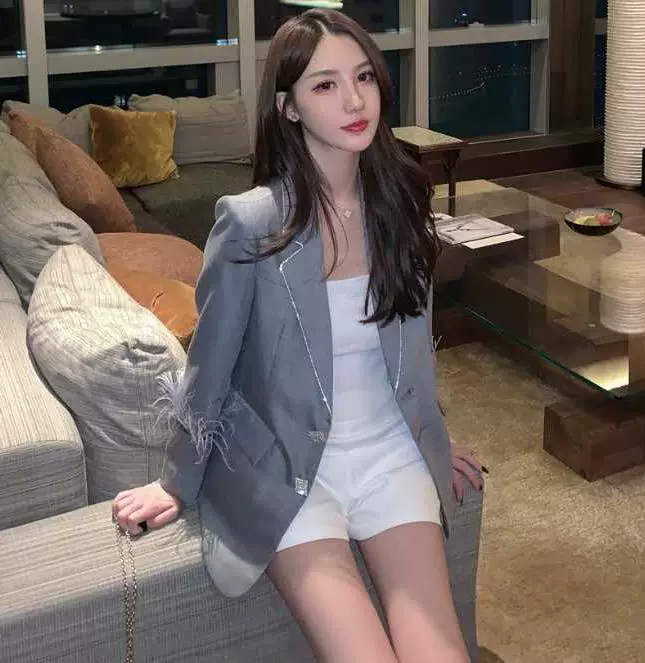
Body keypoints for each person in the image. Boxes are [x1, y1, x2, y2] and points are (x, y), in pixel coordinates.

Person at [112, 8, 484, 663]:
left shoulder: (400, 203)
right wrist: (175, 481)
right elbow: (210, 364)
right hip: (291, 473)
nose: (354, 100)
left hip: (390, 457)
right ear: (288, 107)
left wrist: (434, 432)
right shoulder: (250, 223)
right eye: (324, 85)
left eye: (363, 77)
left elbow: (404, 355)